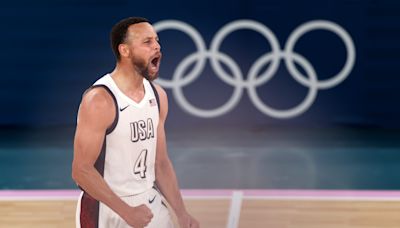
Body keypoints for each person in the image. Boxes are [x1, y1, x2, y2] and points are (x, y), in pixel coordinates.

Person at [72, 17, 199, 228]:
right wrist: (127, 212)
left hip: (149, 202)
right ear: (125, 50)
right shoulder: (100, 100)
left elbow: (161, 163)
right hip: (106, 209)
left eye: (157, 40)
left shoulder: (158, 96)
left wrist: (181, 213)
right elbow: (81, 171)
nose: (157, 46)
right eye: (147, 42)